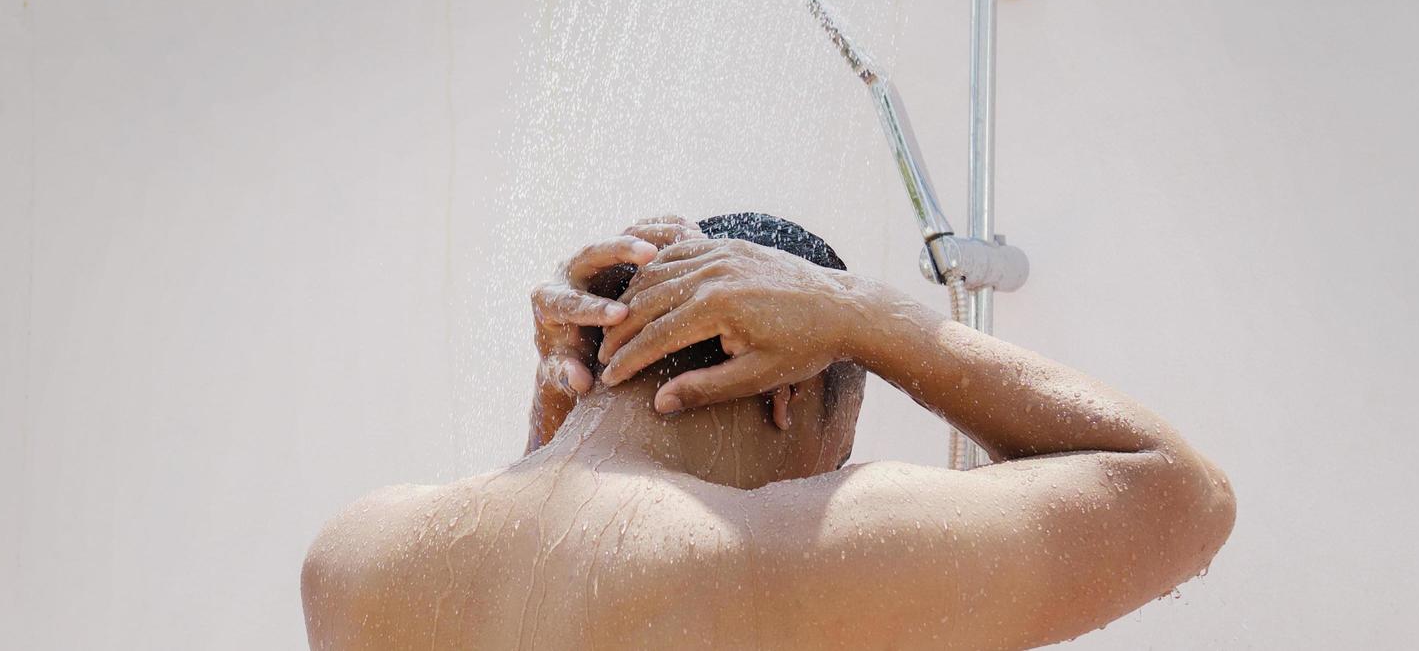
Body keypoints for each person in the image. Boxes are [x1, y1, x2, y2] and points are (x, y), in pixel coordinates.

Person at [302, 213, 1235, 649]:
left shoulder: (358, 555)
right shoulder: (781, 559)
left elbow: (541, 583)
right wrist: (869, 317)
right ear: (785, 391)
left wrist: (553, 432)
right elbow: (1179, 494)